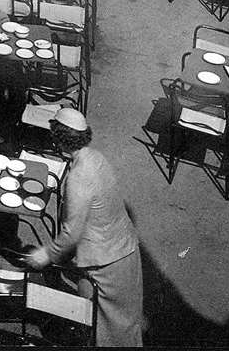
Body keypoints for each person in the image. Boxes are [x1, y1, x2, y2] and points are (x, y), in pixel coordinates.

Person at [22, 107, 144, 346]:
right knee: (119, 323)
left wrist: (46, 254)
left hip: (108, 262)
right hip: (123, 249)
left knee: (115, 330)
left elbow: (72, 232)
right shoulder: (95, 157)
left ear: (59, 140)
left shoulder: (78, 176)